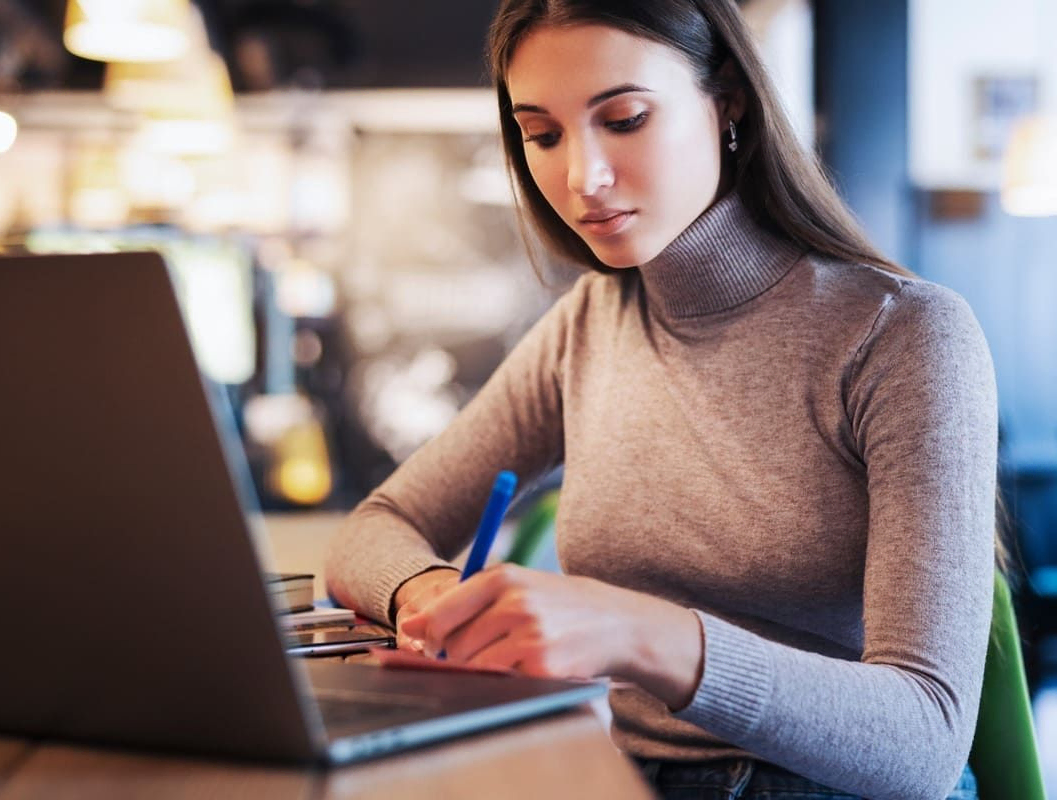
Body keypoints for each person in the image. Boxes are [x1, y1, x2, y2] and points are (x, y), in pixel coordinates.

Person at [326, 1, 996, 798]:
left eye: (626, 118)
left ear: (729, 104)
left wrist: (636, 633)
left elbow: (921, 743)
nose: (582, 178)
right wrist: (430, 596)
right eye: (541, 135)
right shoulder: (589, 324)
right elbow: (369, 533)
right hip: (622, 771)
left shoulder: (903, 334)